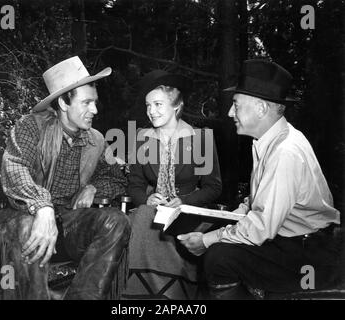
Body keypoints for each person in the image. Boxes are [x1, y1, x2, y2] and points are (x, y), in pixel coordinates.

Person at [178, 59, 342, 299]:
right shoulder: (271, 141)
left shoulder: (285, 151)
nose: (229, 112)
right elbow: (258, 202)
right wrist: (220, 220)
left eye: (236, 104)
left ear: (262, 108)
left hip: (308, 254)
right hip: (292, 243)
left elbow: (261, 227)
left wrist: (207, 240)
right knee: (219, 243)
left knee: (219, 258)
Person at [0, 56, 131, 300]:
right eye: (87, 102)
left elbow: (116, 178)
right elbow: (14, 167)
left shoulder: (97, 140)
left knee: (116, 220)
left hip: (68, 224)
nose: (95, 110)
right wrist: (42, 207)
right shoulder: (30, 127)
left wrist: (93, 187)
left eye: (95, 102)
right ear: (63, 102)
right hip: (22, 218)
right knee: (29, 226)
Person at [122, 70, 222, 299]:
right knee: (144, 217)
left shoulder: (201, 139)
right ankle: (139, 296)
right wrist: (145, 199)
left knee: (172, 226)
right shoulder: (141, 137)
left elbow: (213, 188)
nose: (151, 112)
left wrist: (184, 201)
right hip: (151, 210)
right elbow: (135, 185)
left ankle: (177, 294)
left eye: (158, 104)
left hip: (189, 211)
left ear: (177, 105)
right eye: (148, 106)